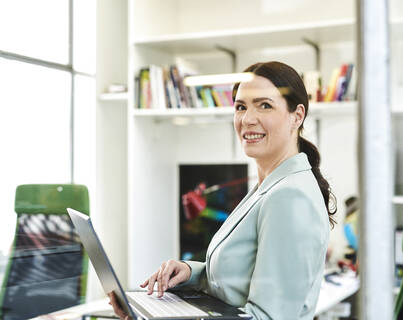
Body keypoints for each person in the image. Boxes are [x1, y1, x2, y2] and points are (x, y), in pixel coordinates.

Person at [109, 61, 337, 320]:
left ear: (297, 116)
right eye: (241, 107)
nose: (248, 119)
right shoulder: (269, 186)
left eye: (265, 105)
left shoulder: (289, 196)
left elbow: (268, 317)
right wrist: (190, 272)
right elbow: (239, 280)